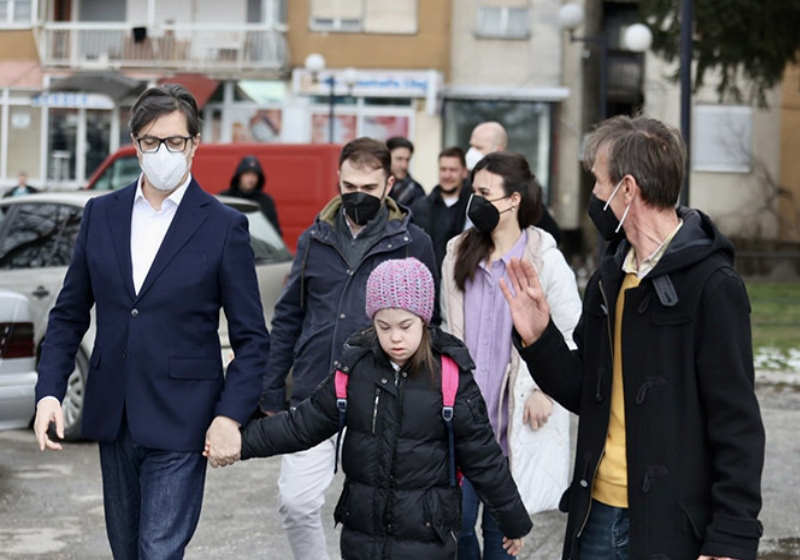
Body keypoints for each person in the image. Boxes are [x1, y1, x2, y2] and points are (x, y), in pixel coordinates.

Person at [500, 115, 765, 560]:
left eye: (598, 183)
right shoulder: (610, 274)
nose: (595, 197)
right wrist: (539, 338)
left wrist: (732, 536)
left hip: (672, 525)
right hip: (596, 515)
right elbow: (584, 390)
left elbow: (736, 420)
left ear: (627, 188)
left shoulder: (713, 284)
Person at [32, 84, 270, 559]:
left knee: (157, 551)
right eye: (150, 141)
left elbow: (252, 339)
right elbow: (68, 314)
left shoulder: (224, 226)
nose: (163, 152)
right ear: (136, 144)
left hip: (183, 419)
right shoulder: (102, 214)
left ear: (195, 144)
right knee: (128, 551)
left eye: (175, 141)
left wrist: (228, 416)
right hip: (113, 413)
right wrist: (49, 393)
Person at [231, 258, 532, 560]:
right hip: (364, 540)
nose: (395, 337)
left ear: (424, 320)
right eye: (383, 326)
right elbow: (301, 426)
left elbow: (484, 458)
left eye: (405, 326)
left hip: (428, 540)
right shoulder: (354, 369)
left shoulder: (451, 376)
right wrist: (240, 441)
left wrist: (513, 520)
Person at [258, 137, 437, 560]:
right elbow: (288, 318)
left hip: (382, 399)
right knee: (296, 503)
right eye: (349, 186)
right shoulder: (314, 240)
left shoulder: (414, 243)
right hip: (313, 392)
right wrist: (270, 390)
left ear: (390, 184)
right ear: (338, 180)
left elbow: (431, 326)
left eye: (369, 189)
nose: (357, 197)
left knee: (379, 516)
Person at [440, 152, 581, 559]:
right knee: (456, 533)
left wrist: (545, 391)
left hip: (511, 433)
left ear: (514, 199)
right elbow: (448, 334)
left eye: (485, 193)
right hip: (462, 426)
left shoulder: (546, 263)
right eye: (474, 192)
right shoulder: (457, 255)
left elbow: (571, 335)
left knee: (503, 546)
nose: (476, 202)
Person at [465, 121, 561, 244]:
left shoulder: (519, 186)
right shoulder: (467, 184)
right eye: (471, 146)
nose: (471, 153)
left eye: (478, 148)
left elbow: (550, 233)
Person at [410, 147, 471, 272]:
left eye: (453, 170)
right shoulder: (420, 207)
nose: (447, 175)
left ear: (464, 172)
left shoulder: (472, 208)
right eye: (443, 169)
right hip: (429, 279)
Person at [222, 155, 282, 236]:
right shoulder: (225, 198)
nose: (251, 179)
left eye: (254, 175)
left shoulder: (266, 201)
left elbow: (275, 233)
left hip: (257, 247)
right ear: (239, 176)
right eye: (247, 174)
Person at [386, 136, 426, 208]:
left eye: (407, 160)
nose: (404, 166)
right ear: (387, 158)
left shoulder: (417, 191)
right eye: (399, 159)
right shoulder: (375, 186)